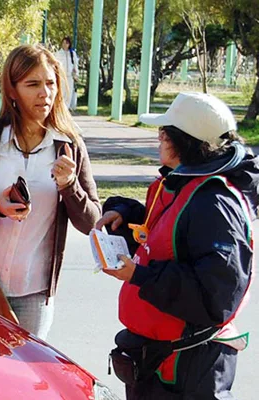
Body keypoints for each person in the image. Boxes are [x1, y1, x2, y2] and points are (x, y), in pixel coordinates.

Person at [95, 92, 258, 399]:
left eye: (163, 134)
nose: (158, 140)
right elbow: (169, 237)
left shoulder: (214, 203)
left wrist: (140, 276)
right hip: (161, 360)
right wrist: (126, 214)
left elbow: (216, 298)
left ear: (182, 141)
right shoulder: (186, 182)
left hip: (188, 367)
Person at [0, 44, 101, 340]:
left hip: (34, 294)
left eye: (51, 83)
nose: (45, 93)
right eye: (33, 84)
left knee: (22, 379)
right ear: (12, 90)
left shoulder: (69, 145)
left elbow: (92, 222)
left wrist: (69, 185)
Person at [54, 36, 79, 112]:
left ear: (69, 44)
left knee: (69, 93)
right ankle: (60, 108)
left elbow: (75, 65)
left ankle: (66, 109)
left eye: (66, 43)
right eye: (63, 43)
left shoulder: (72, 53)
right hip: (61, 76)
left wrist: (76, 75)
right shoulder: (58, 53)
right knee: (61, 92)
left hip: (70, 76)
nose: (65, 44)